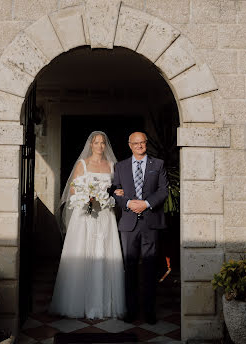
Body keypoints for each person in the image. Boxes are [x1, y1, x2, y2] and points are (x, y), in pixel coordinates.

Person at [48, 131, 126, 319]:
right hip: (84, 216)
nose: (99, 146)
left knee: (104, 253)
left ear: (106, 145)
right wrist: (86, 199)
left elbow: (117, 189)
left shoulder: (112, 165)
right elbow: (73, 190)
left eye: (102, 143)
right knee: (83, 253)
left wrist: (116, 195)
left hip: (105, 215)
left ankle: (104, 305)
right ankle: (79, 302)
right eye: (96, 142)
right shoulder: (82, 164)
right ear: (90, 145)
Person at [112, 132, 168, 324]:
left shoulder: (158, 165)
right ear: (130, 145)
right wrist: (127, 203)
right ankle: (131, 310)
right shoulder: (120, 166)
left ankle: (149, 311)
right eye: (135, 143)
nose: (139, 145)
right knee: (130, 268)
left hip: (151, 222)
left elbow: (163, 191)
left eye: (142, 142)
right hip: (129, 224)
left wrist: (145, 204)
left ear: (146, 143)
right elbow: (115, 190)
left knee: (150, 267)